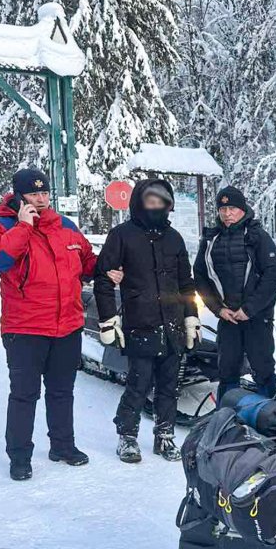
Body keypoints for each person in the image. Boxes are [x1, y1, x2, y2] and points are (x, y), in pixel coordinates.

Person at [0, 168, 98, 480]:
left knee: (62, 391)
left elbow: (88, 263)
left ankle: (63, 446)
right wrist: (24, 226)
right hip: (25, 329)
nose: (40, 199)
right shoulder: (3, 226)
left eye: (44, 193)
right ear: (19, 196)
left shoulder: (65, 226)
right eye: (33, 194)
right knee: (24, 394)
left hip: (67, 326)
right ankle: (19, 457)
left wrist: (112, 265)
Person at [94, 179, 200, 464]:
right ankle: (127, 435)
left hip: (173, 325)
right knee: (138, 384)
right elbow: (103, 279)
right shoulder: (122, 235)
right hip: (140, 323)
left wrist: (191, 316)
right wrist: (108, 319)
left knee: (169, 386)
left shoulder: (174, 238)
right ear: (140, 202)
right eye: (150, 201)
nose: (155, 206)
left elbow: (186, 283)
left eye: (161, 201)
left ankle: (164, 435)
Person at [193, 186, 276, 400]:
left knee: (262, 367)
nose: (227, 214)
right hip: (227, 317)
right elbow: (200, 277)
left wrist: (249, 309)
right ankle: (227, 409)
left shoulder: (257, 236)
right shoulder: (211, 239)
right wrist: (218, 309)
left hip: (256, 316)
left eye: (232, 208)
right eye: (222, 209)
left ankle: (272, 410)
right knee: (227, 367)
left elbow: (274, 275)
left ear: (242, 209)